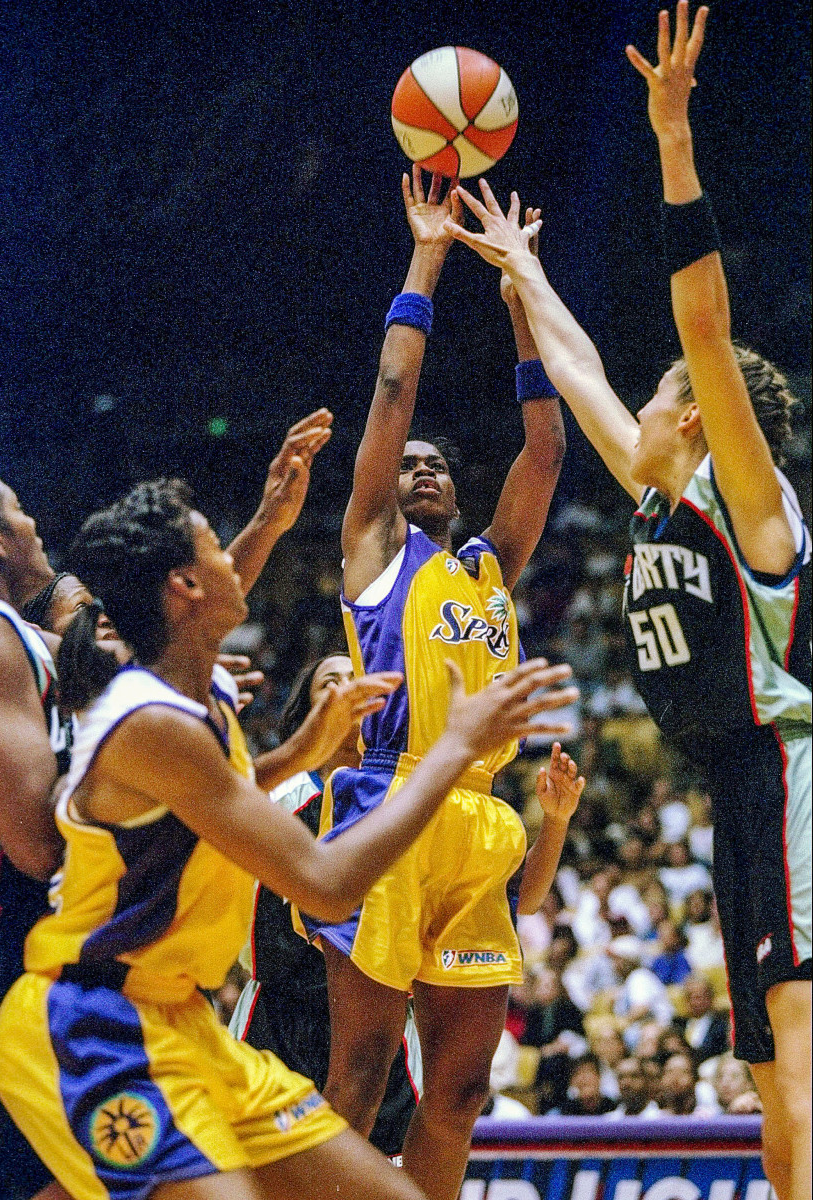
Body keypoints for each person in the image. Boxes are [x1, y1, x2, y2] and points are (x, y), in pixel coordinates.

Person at [445, 5, 810, 1195]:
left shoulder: (744, 496)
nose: (641, 411)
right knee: (769, 1074)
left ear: (695, 414)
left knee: (801, 1061)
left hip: (791, 769)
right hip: (737, 789)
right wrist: (527, 269)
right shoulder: (657, 493)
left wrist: (669, 133)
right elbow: (585, 374)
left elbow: (698, 324)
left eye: (665, 397)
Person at [0, 477, 575, 1200]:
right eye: (217, 550)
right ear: (184, 584)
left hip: (183, 1020)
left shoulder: (195, 707)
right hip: (93, 1021)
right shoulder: (152, 723)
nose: (237, 563)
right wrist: (451, 749)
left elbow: (215, 801)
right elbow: (325, 884)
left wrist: (301, 749)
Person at [301, 165, 572, 1200]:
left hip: (479, 816)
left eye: (433, 465)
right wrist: (425, 257)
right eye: (404, 463)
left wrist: (517, 296)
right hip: (389, 796)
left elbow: (544, 446)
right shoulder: (374, 546)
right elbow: (389, 393)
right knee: (363, 1080)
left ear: (455, 490)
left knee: (457, 1092)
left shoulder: (488, 565)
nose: (418, 469)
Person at [230, 653, 422, 1164]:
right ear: (307, 713)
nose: (347, 690)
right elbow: (249, 933)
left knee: (383, 1174)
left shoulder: (404, 798)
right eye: (330, 683)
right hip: (281, 1015)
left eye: (356, 679)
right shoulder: (278, 798)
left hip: (380, 1021)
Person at [0, 474, 75, 1200]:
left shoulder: (30, 641)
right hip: (11, 931)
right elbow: (36, 847)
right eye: (20, 509)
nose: (35, 519)